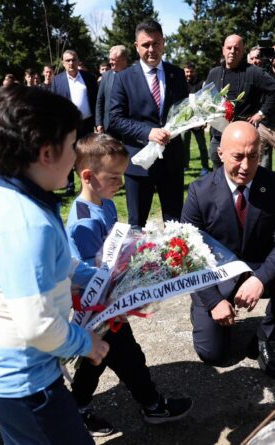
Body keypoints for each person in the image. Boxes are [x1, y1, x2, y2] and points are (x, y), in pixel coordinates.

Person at [0, 84, 109, 445]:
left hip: (6, 374)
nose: (75, 158)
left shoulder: (13, 194)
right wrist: (86, 343)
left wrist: (98, 276)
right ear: (46, 153)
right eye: (72, 146)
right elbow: (39, 325)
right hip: (23, 383)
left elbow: (51, 263)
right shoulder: (27, 224)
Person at [66, 133, 193, 436]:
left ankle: (77, 407)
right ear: (88, 176)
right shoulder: (83, 220)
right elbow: (89, 272)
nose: (121, 183)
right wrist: (121, 292)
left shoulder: (106, 203)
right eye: (113, 177)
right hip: (99, 305)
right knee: (127, 357)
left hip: (112, 300)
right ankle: (152, 405)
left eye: (121, 175)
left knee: (96, 358)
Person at [181, 121, 275, 380]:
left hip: (259, 268)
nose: (246, 166)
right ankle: (205, 310)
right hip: (217, 276)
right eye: (238, 157)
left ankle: (264, 338)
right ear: (221, 153)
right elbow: (188, 253)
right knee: (213, 354)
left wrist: (260, 279)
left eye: (253, 156)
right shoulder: (199, 192)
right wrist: (213, 301)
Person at [109, 20, 189, 229]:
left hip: (171, 162)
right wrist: (148, 132)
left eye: (156, 43)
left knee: (175, 226)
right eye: (145, 45)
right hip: (139, 164)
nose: (151, 49)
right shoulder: (124, 78)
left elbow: (184, 111)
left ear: (163, 43)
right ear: (136, 46)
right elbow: (115, 118)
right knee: (137, 226)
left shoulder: (177, 74)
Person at [205, 34, 275, 170]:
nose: (232, 51)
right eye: (229, 48)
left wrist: (261, 113)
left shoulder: (254, 72)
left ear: (242, 51)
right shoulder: (214, 73)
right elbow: (206, 98)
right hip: (218, 138)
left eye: (236, 48)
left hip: (243, 139)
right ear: (223, 50)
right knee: (219, 178)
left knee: (243, 176)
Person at [52, 49, 97, 196]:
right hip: (68, 125)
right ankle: (70, 185)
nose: (71, 63)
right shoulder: (57, 81)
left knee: (87, 154)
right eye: (68, 60)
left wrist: (98, 122)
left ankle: (89, 183)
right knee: (68, 155)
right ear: (63, 63)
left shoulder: (89, 78)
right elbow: (54, 105)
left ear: (78, 61)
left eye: (73, 60)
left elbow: (96, 101)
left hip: (87, 123)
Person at [182, 61, 210, 176]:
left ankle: (205, 167)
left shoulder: (201, 83)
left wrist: (204, 120)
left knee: (202, 145)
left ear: (195, 71)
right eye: (187, 72)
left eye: (191, 71)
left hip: (198, 120)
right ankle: (185, 164)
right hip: (185, 120)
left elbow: (206, 102)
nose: (189, 74)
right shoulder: (181, 83)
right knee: (184, 144)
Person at [95, 45, 129, 135]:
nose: (110, 62)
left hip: (129, 126)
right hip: (108, 126)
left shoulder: (133, 75)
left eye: (113, 59)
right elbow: (100, 100)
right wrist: (99, 123)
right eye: (110, 59)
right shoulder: (106, 76)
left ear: (123, 59)